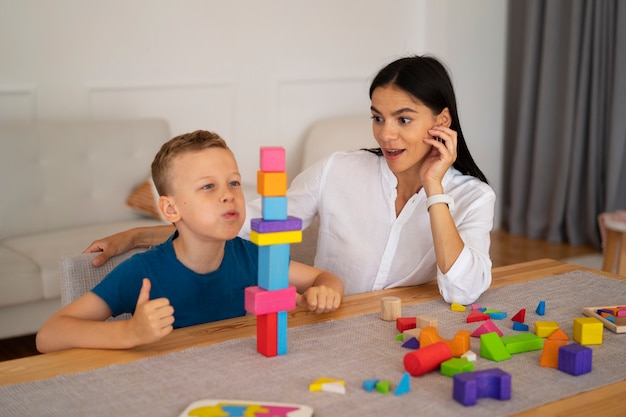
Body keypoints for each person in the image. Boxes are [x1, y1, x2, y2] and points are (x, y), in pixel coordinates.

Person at [82, 54, 495, 305]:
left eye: (403, 119)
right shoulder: (338, 169)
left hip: (404, 333)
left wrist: (435, 188)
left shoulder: (473, 196)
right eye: (377, 117)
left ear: (442, 121)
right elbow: (243, 225)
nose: (386, 134)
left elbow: (462, 290)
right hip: (328, 323)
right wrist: (137, 237)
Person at [36, 130, 344, 353]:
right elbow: (49, 334)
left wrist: (326, 290)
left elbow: (321, 278)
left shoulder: (252, 255)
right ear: (171, 209)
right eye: (208, 186)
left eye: (234, 182)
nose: (228, 194)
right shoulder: (143, 271)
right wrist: (130, 332)